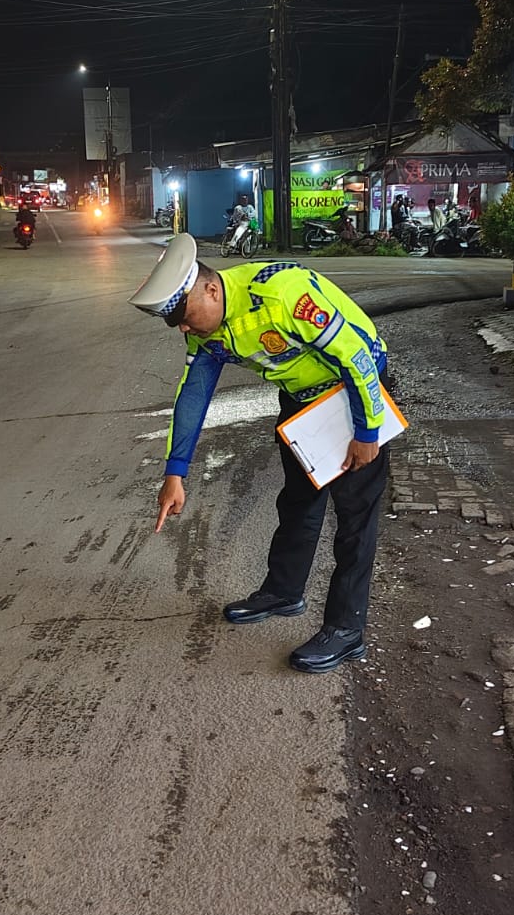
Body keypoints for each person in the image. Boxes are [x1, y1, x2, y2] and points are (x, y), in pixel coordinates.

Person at [130, 234, 394, 674]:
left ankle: (347, 630)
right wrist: (175, 472)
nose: (183, 329)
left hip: (351, 396)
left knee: (355, 516)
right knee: (298, 502)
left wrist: (367, 430)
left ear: (211, 290)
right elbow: (194, 392)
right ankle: (284, 592)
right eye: (173, 322)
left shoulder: (282, 294)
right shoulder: (208, 331)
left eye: (183, 316)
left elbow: (355, 355)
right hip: (301, 403)